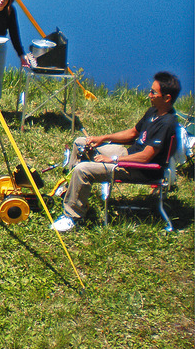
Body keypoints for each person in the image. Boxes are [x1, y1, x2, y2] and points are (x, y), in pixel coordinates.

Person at [51, 71, 181, 233]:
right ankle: (70, 191)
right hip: (128, 154)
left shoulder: (167, 124)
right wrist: (102, 138)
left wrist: (113, 159)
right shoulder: (153, 112)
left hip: (138, 168)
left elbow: (146, 156)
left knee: (82, 170)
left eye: (153, 92)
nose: (149, 95)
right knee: (80, 143)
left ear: (167, 98)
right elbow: (133, 133)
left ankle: (72, 217)